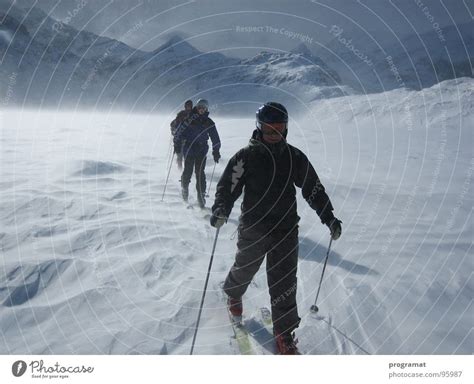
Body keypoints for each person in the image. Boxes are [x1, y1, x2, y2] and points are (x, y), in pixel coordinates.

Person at [210, 102, 342, 355]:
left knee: (284, 281)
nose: (274, 135)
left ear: (286, 129)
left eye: (279, 129)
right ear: (259, 128)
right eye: (269, 130)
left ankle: (284, 334)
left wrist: (330, 218)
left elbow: (313, 189)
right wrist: (221, 209)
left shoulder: (294, 157)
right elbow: (228, 186)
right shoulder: (245, 156)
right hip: (254, 226)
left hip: (285, 229)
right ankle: (234, 294)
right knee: (245, 266)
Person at [174, 99, 221, 208]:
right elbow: (179, 132)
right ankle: (184, 192)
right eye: (199, 107)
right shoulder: (189, 119)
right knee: (188, 171)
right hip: (189, 149)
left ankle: (201, 197)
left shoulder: (209, 122)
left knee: (200, 173)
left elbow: (215, 137)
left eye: (203, 108)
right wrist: (177, 144)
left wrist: (216, 150)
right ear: (197, 107)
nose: (201, 110)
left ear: (206, 109)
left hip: (202, 150)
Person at [170, 99, 193, 170]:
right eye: (187, 106)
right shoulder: (181, 114)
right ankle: (179, 170)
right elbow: (173, 124)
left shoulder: (193, 115)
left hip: (189, 139)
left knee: (188, 157)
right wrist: (174, 131)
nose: (188, 107)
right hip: (180, 139)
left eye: (190, 106)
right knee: (179, 156)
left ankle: (186, 171)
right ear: (185, 106)